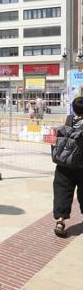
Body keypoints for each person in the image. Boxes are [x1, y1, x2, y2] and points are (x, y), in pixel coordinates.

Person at [52, 96, 83, 237]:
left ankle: (60, 220)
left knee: (62, 191)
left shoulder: (67, 119)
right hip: (81, 165)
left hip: (64, 163)